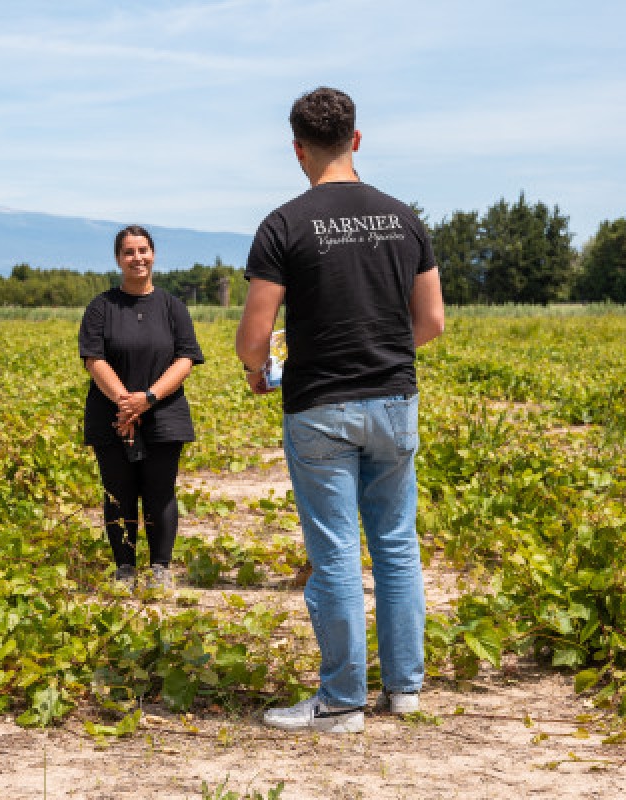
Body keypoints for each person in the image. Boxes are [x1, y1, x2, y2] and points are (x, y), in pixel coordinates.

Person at [236, 88, 445, 733]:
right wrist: (379, 350)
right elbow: (432, 320)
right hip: (393, 401)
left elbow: (253, 337)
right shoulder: (403, 218)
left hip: (320, 406)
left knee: (334, 554)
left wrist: (259, 371)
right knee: (397, 546)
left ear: (297, 148)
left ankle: (342, 702)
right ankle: (405, 691)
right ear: (357, 140)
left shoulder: (284, 224)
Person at [79, 225, 205, 588]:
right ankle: (125, 570)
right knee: (118, 492)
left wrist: (147, 399)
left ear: (154, 254)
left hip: (163, 411)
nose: (138, 258)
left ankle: (161, 569)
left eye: (143, 250)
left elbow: (185, 358)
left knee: (160, 491)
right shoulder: (102, 307)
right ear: (118, 259)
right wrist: (125, 402)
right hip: (112, 413)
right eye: (129, 252)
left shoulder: (172, 306)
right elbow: (93, 358)